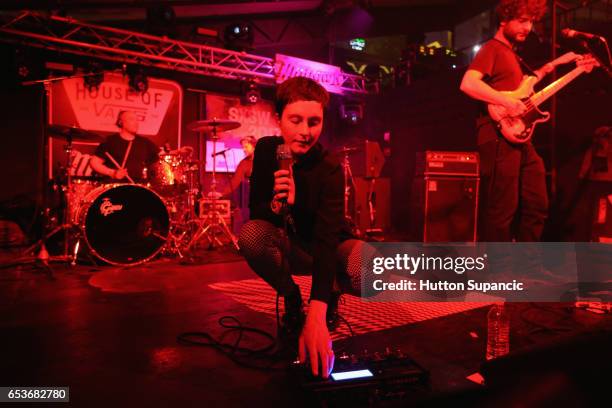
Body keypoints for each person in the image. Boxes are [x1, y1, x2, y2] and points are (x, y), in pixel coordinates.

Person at [238, 77, 366, 378]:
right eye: (295, 120)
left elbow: (326, 238)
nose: (305, 132)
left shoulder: (329, 166)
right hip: (288, 243)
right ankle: (292, 298)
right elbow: (257, 211)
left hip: (327, 247)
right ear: (279, 118)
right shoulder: (268, 150)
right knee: (252, 236)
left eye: (314, 122)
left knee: (370, 267)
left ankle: (330, 294)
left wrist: (318, 312)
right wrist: (279, 203)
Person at [459, 0, 583, 242]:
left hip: (519, 138)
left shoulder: (512, 55)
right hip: (497, 137)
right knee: (502, 210)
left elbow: (528, 84)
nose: (528, 27)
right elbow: (468, 83)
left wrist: (559, 64)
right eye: (522, 20)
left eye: (532, 22)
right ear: (505, 18)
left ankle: (527, 265)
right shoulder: (492, 49)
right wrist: (506, 102)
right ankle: (498, 271)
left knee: (537, 204)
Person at [90, 110, 158, 182]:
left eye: (137, 120)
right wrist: (112, 173)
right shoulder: (110, 141)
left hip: (137, 187)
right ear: (121, 122)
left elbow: (159, 161)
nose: (136, 123)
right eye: (131, 119)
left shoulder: (145, 142)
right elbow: (94, 162)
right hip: (114, 186)